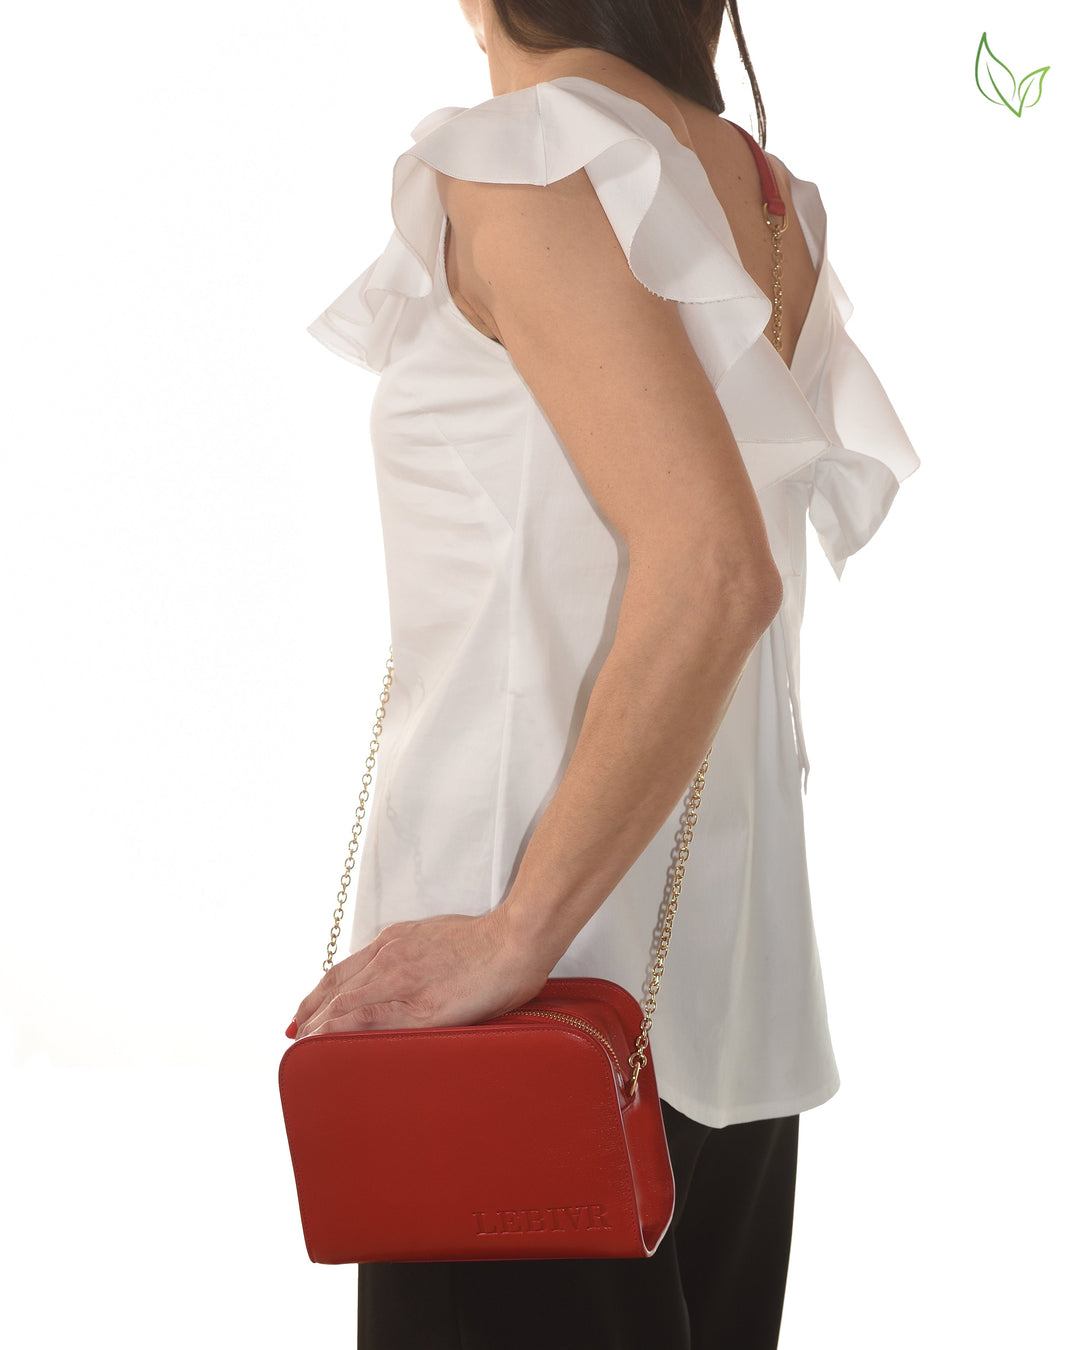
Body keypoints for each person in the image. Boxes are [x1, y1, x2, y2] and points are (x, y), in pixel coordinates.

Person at [289, 1, 920, 1345]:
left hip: (523, 1003)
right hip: (722, 996)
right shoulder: (761, 199)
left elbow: (714, 571)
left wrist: (513, 936)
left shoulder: (526, 160)